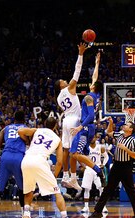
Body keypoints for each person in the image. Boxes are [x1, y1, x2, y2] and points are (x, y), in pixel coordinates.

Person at [18, 117, 74, 218]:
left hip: (26, 159)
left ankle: (26, 214)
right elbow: (59, 162)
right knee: (57, 192)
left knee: (29, 191)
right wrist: (54, 176)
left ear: (44, 123)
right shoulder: (58, 140)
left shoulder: (37, 130)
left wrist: (27, 141)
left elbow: (20, 131)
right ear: (55, 127)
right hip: (40, 161)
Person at [89, 117, 135, 218]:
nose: (124, 125)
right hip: (116, 165)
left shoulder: (133, 141)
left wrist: (125, 149)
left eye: (127, 125)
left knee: (131, 191)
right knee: (108, 189)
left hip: (126, 166)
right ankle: (97, 211)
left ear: (131, 129)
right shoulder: (120, 135)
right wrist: (111, 122)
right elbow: (109, 132)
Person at [54, 42, 89, 190]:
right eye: (63, 81)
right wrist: (81, 53)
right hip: (74, 120)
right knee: (73, 151)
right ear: (62, 86)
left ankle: (66, 175)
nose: (66, 81)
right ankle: (74, 178)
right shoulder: (69, 89)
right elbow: (77, 71)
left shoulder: (58, 99)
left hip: (65, 121)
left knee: (66, 150)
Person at [69, 52, 104, 188]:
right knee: (79, 155)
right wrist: (97, 63)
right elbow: (95, 77)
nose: (91, 82)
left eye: (92, 83)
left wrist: (79, 127)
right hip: (90, 129)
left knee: (75, 154)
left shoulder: (89, 97)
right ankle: (92, 172)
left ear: (93, 87)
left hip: (85, 128)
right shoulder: (97, 95)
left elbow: (90, 116)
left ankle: (98, 170)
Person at [80, 136, 108, 213]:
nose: (92, 139)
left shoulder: (100, 147)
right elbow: (80, 157)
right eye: (91, 138)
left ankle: (103, 206)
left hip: (97, 168)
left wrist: (103, 164)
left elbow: (106, 157)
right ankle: (86, 207)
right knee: (86, 188)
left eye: (93, 138)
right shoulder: (86, 147)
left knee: (101, 188)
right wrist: (83, 166)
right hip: (88, 169)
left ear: (96, 138)